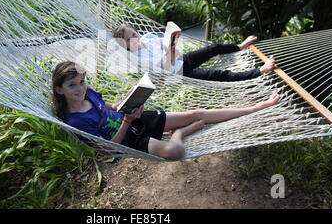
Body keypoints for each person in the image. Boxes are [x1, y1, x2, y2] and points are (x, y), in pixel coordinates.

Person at [52, 61, 281, 160]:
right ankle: (180, 134)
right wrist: (127, 122)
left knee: (195, 114)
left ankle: (257, 107)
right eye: (72, 85)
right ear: (59, 90)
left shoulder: (89, 93)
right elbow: (108, 150)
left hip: (134, 119)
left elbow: (110, 107)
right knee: (175, 152)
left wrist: (127, 101)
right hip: (131, 141)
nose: (80, 88)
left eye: (82, 82)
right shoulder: (76, 123)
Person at [112, 23, 276, 81]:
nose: (134, 38)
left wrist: (173, 40)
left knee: (213, 48)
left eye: (133, 34)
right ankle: (260, 71)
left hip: (183, 59)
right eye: (128, 40)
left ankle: (239, 47)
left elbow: (169, 46)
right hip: (180, 74)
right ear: (125, 46)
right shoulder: (139, 60)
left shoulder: (148, 37)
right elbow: (165, 70)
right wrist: (171, 51)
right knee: (218, 75)